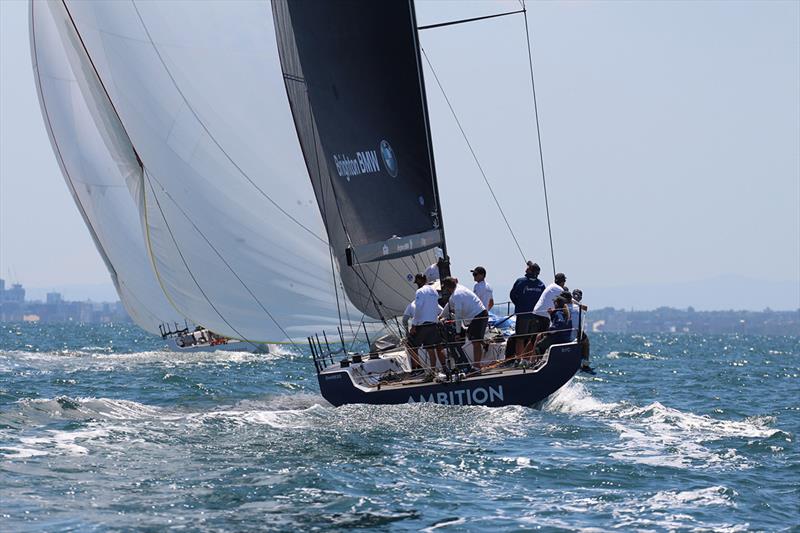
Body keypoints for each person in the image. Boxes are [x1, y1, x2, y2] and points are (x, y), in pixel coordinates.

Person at [439, 277, 489, 368]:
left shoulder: (457, 295)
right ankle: (485, 344)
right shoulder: (457, 290)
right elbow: (449, 303)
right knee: (470, 335)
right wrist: (441, 316)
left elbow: (458, 316)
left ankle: (477, 366)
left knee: (475, 342)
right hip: (477, 316)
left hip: (479, 316)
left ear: (447, 288)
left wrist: (458, 333)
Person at [407, 273, 446, 373]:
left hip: (423, 325)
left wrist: (414, 325)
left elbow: (418, 308)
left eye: (417, 282)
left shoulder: (419, 291)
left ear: (419, 281)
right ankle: (443, 368)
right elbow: (438, 308)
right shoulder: (433, 291)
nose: (417, 284)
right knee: (436, 346)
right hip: (434, 324)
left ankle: (418, 369)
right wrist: (441, 317)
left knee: (411, 345)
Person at [508, 261, 547, 359]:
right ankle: (526, 360)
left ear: (529, 270)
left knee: (520, 339)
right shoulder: (541, 285)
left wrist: (519, 305)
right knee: (531, 339)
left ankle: (519, 359)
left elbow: (512, 295)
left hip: (523, 315)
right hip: (535, 316)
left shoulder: (520, 281)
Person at [571, 288, 593, 372]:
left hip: (574, 329)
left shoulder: (575, 304)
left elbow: (585, 308)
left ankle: (582, 361)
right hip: (575, 330)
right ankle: (585, 364)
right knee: (586, 341)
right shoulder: (573, 304)